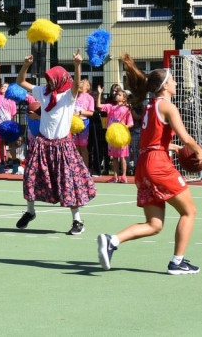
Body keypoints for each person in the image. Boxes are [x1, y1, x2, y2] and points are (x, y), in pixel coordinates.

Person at [97, 63, 202, 274]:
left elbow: (152, 140)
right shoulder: (167, 106)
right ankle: (177, 262)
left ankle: (112, 240)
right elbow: (186, 137)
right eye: (173, 80)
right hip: (158, 164)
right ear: (165, 85)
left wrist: (173, 148)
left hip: (145, 163)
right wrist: (198, 151)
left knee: (154, 224)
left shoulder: (150, 106)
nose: (176, 83)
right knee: (189, 212)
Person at [14, 51, 97, 235]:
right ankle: (30, 211)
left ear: (60, 80)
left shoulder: (68, 95)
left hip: (63, 146)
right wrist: (26, 65)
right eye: (48, 78)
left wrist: (77, 65)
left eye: (52, 79)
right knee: (30, 177)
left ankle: (77, 221)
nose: (48, 81)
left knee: (68, 183)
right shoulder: (43, 92)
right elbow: (21, 82)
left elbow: (76, 84)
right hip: (42, 143)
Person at [97, 85, 134, 183]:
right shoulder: (110, 107)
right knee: (114, 157)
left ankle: (124, 176)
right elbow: (99, 106)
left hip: (121, 136)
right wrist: (100, 94)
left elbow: (131, 123)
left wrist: (125, 126)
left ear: (124, 98)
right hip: (112, 136)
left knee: (122, 157)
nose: (117, 96)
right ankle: (115, 176)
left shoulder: (126, 110)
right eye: (116, 94)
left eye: (120, 95)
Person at [72, 79, 96, 170]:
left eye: (84, 83)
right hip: (73, 124)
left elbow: (91, 113)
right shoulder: (74, 95)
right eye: (81, 82)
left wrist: (80, 112)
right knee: (75, 147)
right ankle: (76, 168)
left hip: (83, 123)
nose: (81, 84)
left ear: (88, 87)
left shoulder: (89, 98)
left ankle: (85, 169)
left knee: (83, 147)